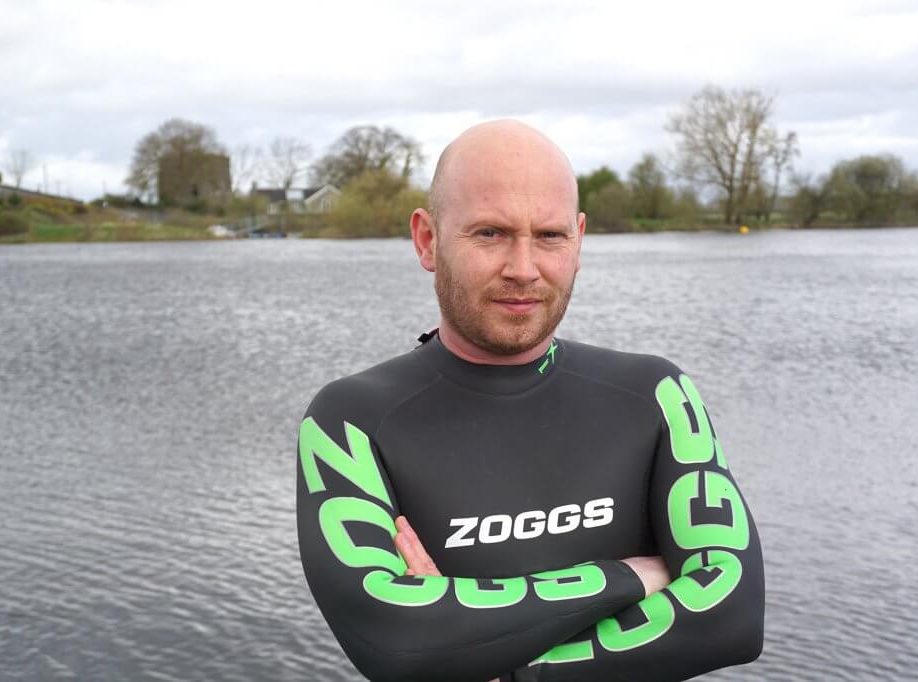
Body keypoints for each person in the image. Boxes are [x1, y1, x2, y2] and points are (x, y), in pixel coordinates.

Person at [296, 120, 764, 682]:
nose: (523, 269)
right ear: (428, 240)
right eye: (490, 233)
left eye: (549, 236)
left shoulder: (654, 397)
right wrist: (631, 577)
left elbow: (732, 618)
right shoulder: (354, 420)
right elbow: (394, 640)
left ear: (579, 240)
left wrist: (493, 659)